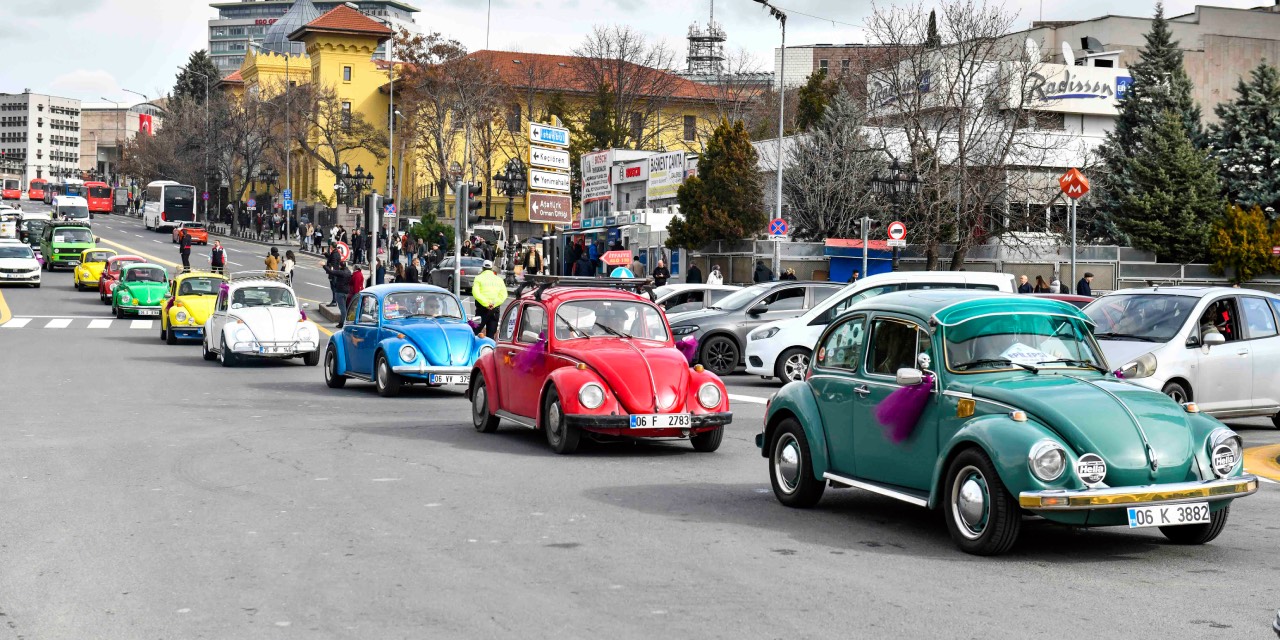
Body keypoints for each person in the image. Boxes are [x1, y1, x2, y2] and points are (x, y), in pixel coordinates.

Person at [471, 261, 508, 337]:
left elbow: (475, 293)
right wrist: (493, 304)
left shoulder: (478, 278)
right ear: (491, 268)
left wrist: (486, 304)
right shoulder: (499, 279)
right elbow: (504, 295)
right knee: (491, 335)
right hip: (494, 310)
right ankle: (489, 348)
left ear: (482, 268)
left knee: (474, 332)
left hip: (481, 309)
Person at [333, 260, 352, 328]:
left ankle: (342, 323)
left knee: (342, 309)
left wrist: (324, 266)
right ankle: (343, 321)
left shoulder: (341, 272)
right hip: (346, 291)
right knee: (344, 307)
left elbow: (331, 272)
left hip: (340, 291)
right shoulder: (348, 272)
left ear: (340, 266)